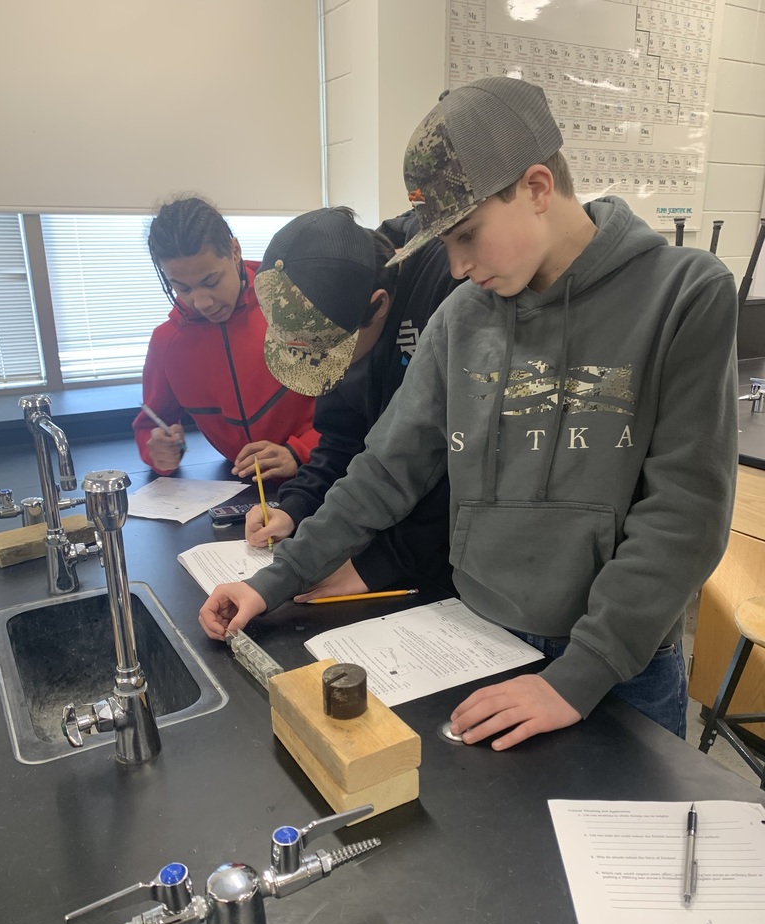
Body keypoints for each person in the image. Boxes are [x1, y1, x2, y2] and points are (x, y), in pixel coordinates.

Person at [199, 77, 738, 752]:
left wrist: (579, 675)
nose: (455, 267)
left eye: (466, 235)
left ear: (538, 188)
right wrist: (278, 577)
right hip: (474, 640)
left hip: (616, 661)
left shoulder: (686, 294)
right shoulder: (462, 318)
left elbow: (685, 515)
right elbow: (385, 470)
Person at [245, 205, 462, 598]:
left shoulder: (449, 283)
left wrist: (377, 564)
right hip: (377, 529)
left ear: (378, 305)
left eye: (333, 354)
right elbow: (342, 439)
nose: (334, 369)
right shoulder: (333, 294)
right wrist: (296, 506)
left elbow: (453, 464)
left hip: (445, 557)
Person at [132, 196, 320, 480]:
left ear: (235, 250)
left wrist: (300, 450)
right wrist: (159, 451)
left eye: (211, 281)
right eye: (182, 288)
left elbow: (354, 402)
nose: (202, 302)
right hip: (238, 487)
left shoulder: (294, 303)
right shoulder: (167, 343)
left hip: (322, 470)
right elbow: (152, 425)